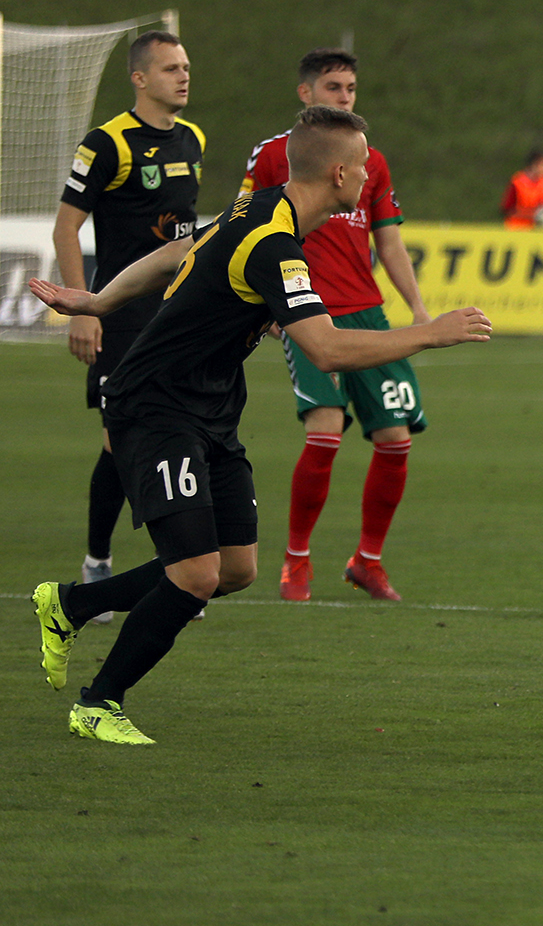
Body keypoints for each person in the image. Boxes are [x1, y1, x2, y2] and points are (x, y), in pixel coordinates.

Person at [29, 106, 493, 745]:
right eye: (362, 164)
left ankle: (70, 605)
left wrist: (100, 299)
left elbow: (178, 252)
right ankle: (98, 703)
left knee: (235, 569)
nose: (368, 174)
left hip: (212, 409)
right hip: (156, 407)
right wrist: (429, 334)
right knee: (195, 573)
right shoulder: (274, 245)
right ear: (338, 174)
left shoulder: (261, 208)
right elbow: (326, 349)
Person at [239, 49, 432, 603]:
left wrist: (418, 310)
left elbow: (388, 241)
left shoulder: (372, 162)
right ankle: (296, 559)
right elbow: (243, 225)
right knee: (324, 433)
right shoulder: (274, 155)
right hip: (307, 310)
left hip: (368, 312)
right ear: (306, 93)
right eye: (333, 87)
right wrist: (263, 305)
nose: (344, 96)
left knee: (395, 439)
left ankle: (367, 560)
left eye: (350, 88)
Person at [51, 31, 204, 624]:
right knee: (121, 442)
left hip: (177, 315)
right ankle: (97, 562)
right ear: (140, 79)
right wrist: (84, 309)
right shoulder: (106, 144)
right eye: (170, 68)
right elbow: (67, 228)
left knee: (186, 433)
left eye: (185, 66)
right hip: (120, 315)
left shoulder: (193, 139)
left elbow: (186, 235)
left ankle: (185, 566)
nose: (183, 76)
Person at [501, 149, 543, 228]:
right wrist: (533, 214)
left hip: (537, 228)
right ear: (536, 164)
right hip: (517, 227)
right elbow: (507, 209)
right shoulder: (517, 182)